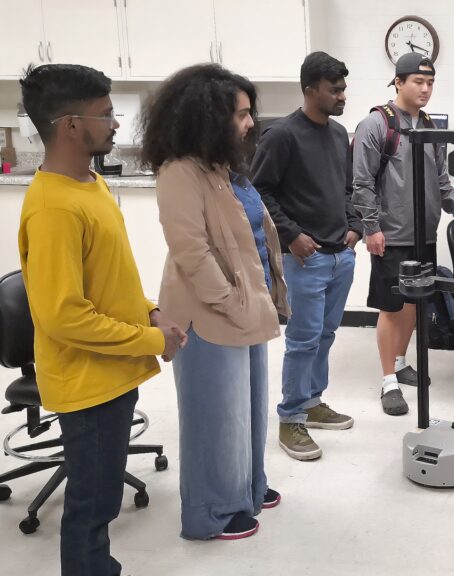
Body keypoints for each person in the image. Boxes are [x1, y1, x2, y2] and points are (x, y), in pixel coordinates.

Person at [18, 64, 184, 576]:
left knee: (103, 501)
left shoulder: (89, 185)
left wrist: (149, 308)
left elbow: (114, 275)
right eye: (106, 114)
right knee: (90, 511)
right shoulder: (54, 208)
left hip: (111, 373)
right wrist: (150, 337)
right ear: (70, 125)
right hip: (87, 384)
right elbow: (64, 316)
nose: (116, 124)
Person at [141, 64, 290, 541]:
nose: (250, 124)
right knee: (213, 416)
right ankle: (211, 511)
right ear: (208, 116)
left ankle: (245, 487)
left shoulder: (223, 168)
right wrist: (227, 299)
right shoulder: (179, 171)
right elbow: (191, 249)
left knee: (245, 410)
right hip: (206, 314)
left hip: (245, 307)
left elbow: (251, 237)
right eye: (242, 115)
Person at [251, 52, 359, 461]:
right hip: (304, 259)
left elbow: (346, 188)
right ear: (310, 89)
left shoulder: (337, 134)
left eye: (343, 88)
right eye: (335, 90)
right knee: (302, 341)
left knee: (326, 335)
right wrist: (292, 236)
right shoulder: (281, 136)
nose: (342, 96)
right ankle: (291, 417)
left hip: (339, 255)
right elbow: (259, 191)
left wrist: (355, 227)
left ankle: (312, 402)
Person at [352, 52, 454, 416]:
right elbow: (361, 183)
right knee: (392, 307)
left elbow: (441, 178)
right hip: (390, 235)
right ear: (399, 82)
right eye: (418, 82)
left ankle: (400, 361)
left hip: (424, 233)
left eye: (430, 83)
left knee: (415, 302)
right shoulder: (376, 124)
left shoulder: (428, 124)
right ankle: (387, 380)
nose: (425, 89)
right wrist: (371, 229)